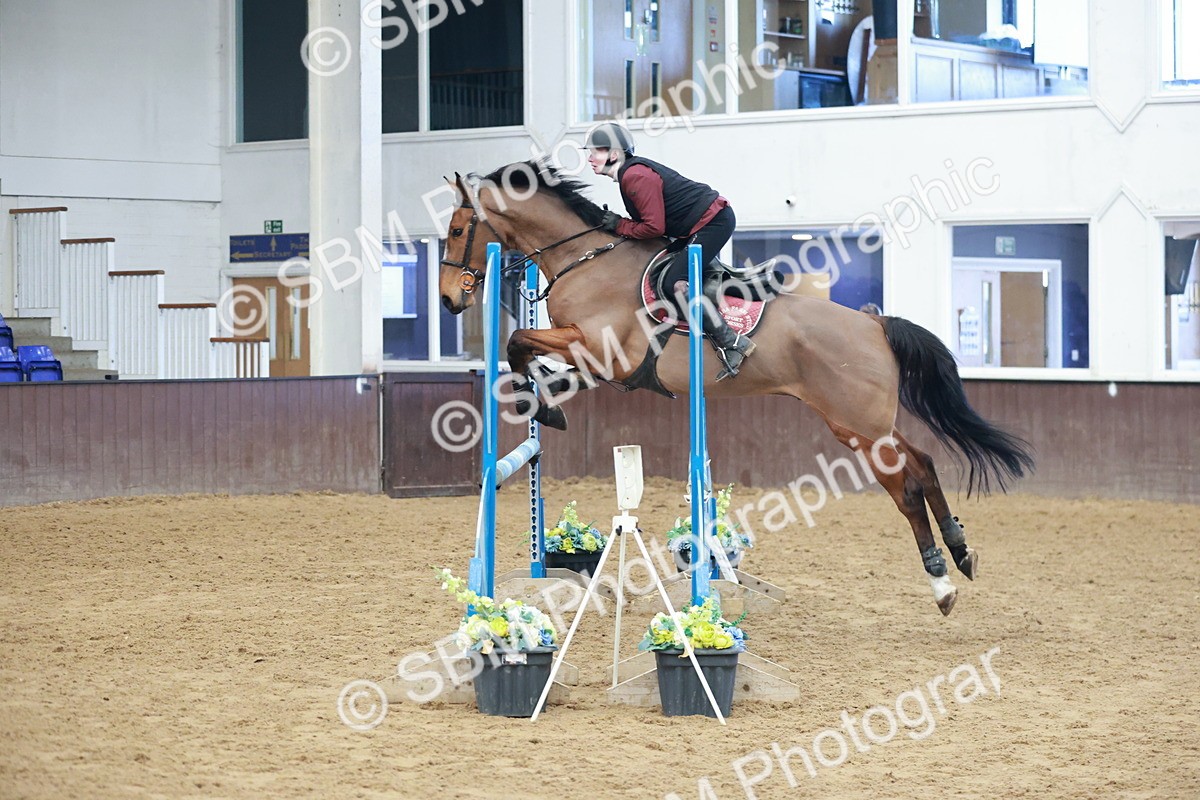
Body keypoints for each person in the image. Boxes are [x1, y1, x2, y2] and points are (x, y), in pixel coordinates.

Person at [583, 123, 755, 380]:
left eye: (595, 151)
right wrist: (621, 226)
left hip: (713, 222)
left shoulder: (635, 176)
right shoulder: (629, 175)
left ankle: (733, 343)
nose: (589, 157)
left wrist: (619, 225)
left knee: (674, 283)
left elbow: (653, 227)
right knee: (657, 272)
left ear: (615, 154)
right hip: (699, 225)